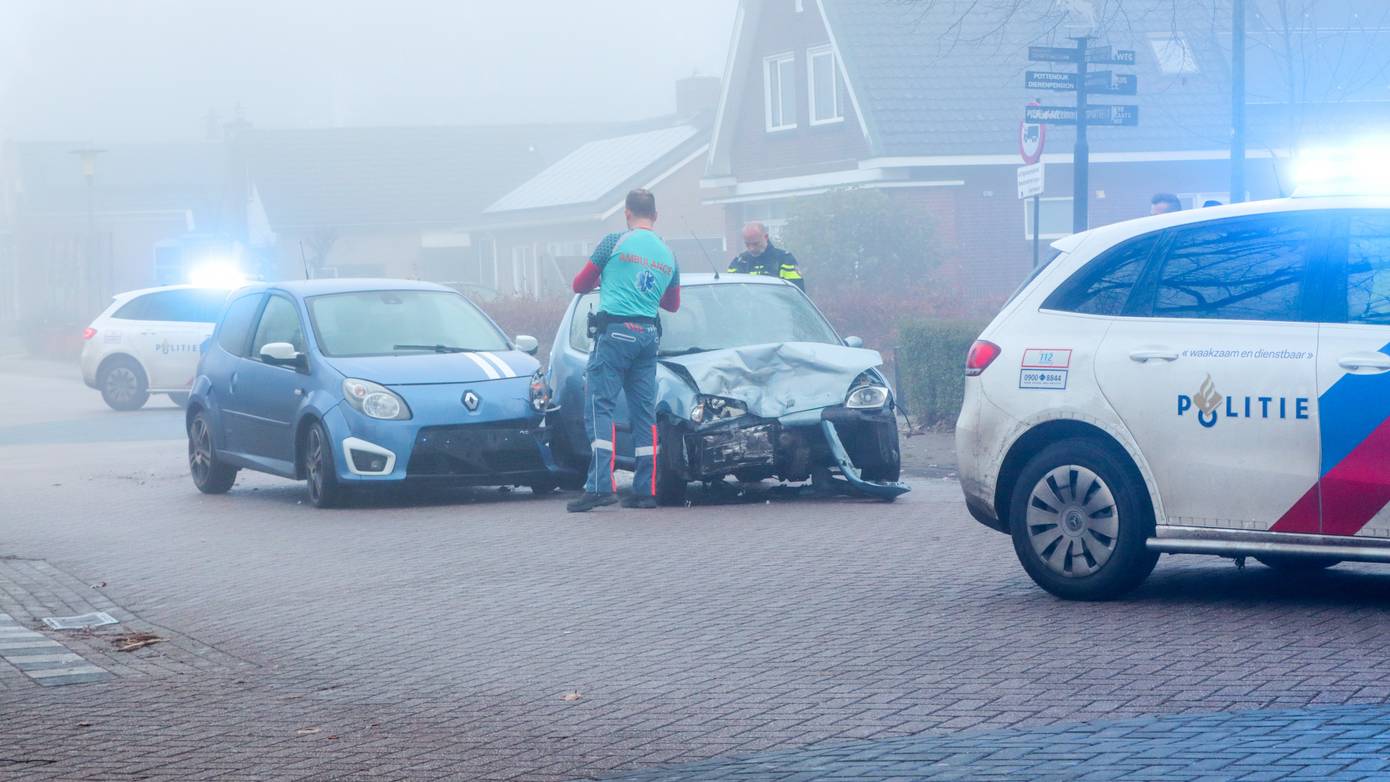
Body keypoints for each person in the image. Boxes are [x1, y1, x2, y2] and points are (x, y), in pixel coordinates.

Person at [567, 189, 681, 513]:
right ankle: (646, 491)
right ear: (655, 216)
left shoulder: (613, 242)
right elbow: (672, 304)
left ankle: (601, 486)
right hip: (648, 335)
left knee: (599, 407)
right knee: (644, 414)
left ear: (627, 213)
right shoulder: (668, 253)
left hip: (615, 332)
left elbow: (580, 284)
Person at [727, 222, 804, 291]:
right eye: (747, 244)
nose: (751, 248)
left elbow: (796, 291)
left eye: (755, 244)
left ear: (766, 237)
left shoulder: (784, 259)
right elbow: (731, 292)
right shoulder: (739, 262)